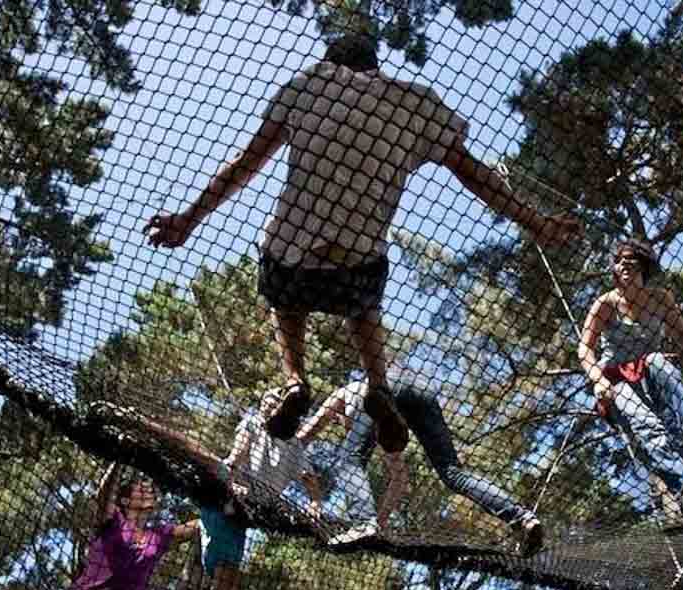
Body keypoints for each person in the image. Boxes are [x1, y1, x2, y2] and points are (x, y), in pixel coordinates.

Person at [144, 33, 582, 450]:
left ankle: (296, 379)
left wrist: (190, 219)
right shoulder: (416, 103)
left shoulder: (308, 85)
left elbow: (246, 163)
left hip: (292, 249)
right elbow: (474, 173)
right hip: (358, 257)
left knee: (283, 297)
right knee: (364, 304)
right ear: (375, 65)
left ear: (330, 61)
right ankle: (378, 386)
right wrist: (534, 221)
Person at [101, 395, 319, 590]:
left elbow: (310, 481)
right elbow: (237, 455)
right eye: (268, 399)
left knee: (227, 578)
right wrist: (234, 479)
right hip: (227, 487)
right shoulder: (253, 424)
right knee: (195, 451)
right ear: (262, 406)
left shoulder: (294, 445)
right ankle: (133, 421)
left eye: (278, 400)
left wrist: (315, 503)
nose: (273, 403)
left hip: (246, 515)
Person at [296, 368, 545, 557]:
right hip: (421, 389)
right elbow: (399, 479)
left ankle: (361, 522)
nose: (349, 429)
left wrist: (283, 438)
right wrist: (379, 524)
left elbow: (305, 434)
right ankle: (523, 518)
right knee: (453, 473)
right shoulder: (385, 434)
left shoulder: (347, 393)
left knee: (347, 458)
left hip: (384, 387)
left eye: (343, 424)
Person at [577, 239, 683, 527]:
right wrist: (597, 380)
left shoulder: (661, 299)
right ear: (614, 269)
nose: (624, 263)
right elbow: (584, 349)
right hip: (618, 381)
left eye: (631, 258)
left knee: (657, 360)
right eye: (619, 260)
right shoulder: (605, 303)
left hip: (653, 374)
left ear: (644, 264)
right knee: (650, 430)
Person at [34, 464, 199, 590]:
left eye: (149, 489)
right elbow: (104, 493)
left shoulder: (158, 535)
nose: (148, 491)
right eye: (140, 488)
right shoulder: (113, 520)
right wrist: (118, 461)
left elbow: (197, 526)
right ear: (125, 500)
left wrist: (221, 504)